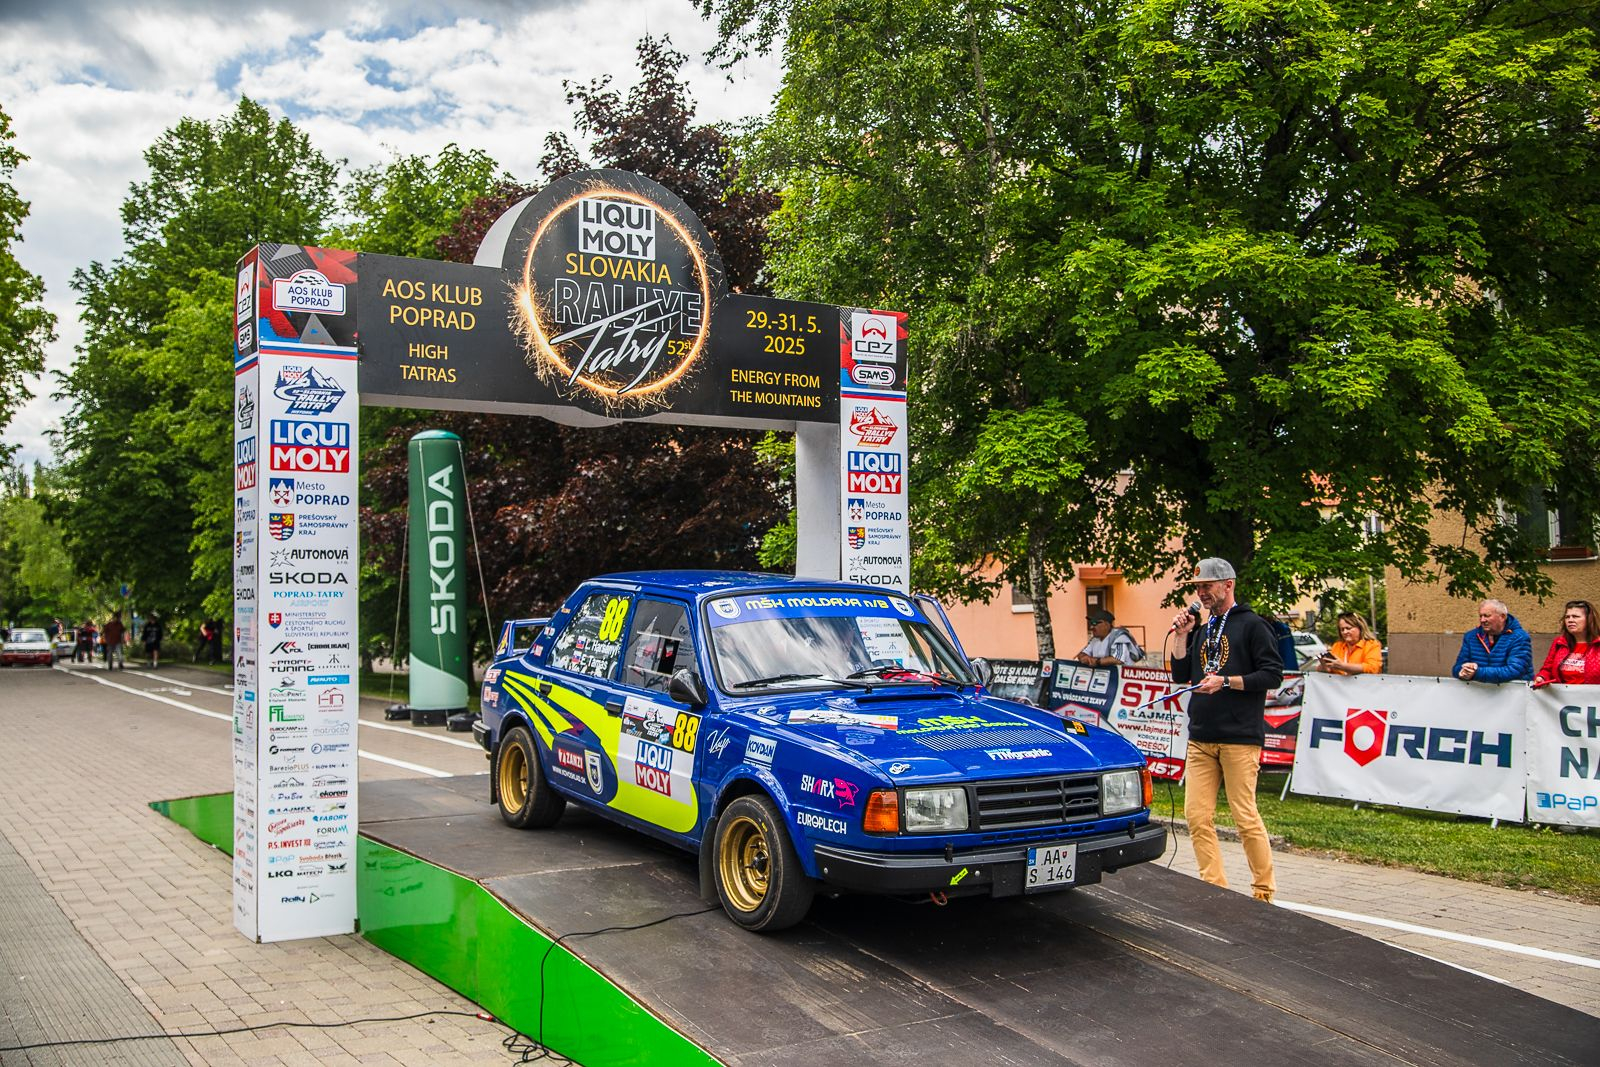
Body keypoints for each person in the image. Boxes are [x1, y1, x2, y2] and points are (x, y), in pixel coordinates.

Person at [1170, 558, 1284, 902]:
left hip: (1239, 736)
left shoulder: (1252, 625)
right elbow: (1181, 675)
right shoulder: (1205, 628)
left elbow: (1272, 675)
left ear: (1228, 584)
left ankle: (1263, 891)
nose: (1201, 593)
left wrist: (1227, 682)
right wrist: (1181, 635)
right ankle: (1214, 886)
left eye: (1207, 586)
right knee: (1196, 817)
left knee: (1244, 816)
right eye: (1198, 588)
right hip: (1202, 735)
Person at [1450, 599, 1532, 684]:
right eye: (1480, 616)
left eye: (1487, 616)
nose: (1482, 620)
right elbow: (1457, 668)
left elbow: (1515, 671)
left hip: (1515, 691)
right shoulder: (1471, 636)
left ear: (1502, 617)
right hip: (1478, 690)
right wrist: (1464, 671)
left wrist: (1477, 673)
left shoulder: (1520, 637)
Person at [1531, 600, 1600, 688]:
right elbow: (1547, 669)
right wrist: (1542, 677)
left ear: (1589, 619)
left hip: (1592, 695)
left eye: (1575, 616)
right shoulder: (1559, 643)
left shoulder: (1598, 644)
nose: (1570, 620)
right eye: (1567, 617)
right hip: (1562, 695)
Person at [1314, 612, 1383, 675]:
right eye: (1342, 629)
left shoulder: (1372, 644)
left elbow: (1373, 668)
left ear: (1360, 628)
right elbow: (1321, 669)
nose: (1345, 632)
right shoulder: (1337, 645)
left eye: (1348, 628)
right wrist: (1325, 667)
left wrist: (1343, 666)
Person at [1077, 608, 1144, 667]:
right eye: (1091, 623)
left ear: (1106, 624)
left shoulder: (1119, 637)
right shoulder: (1095, 639)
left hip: (1121, 676)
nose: (1091, 627)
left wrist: (1097, 661)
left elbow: (1118, 659)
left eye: (1094, 623)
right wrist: (1084, 658)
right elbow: (1082, 654)